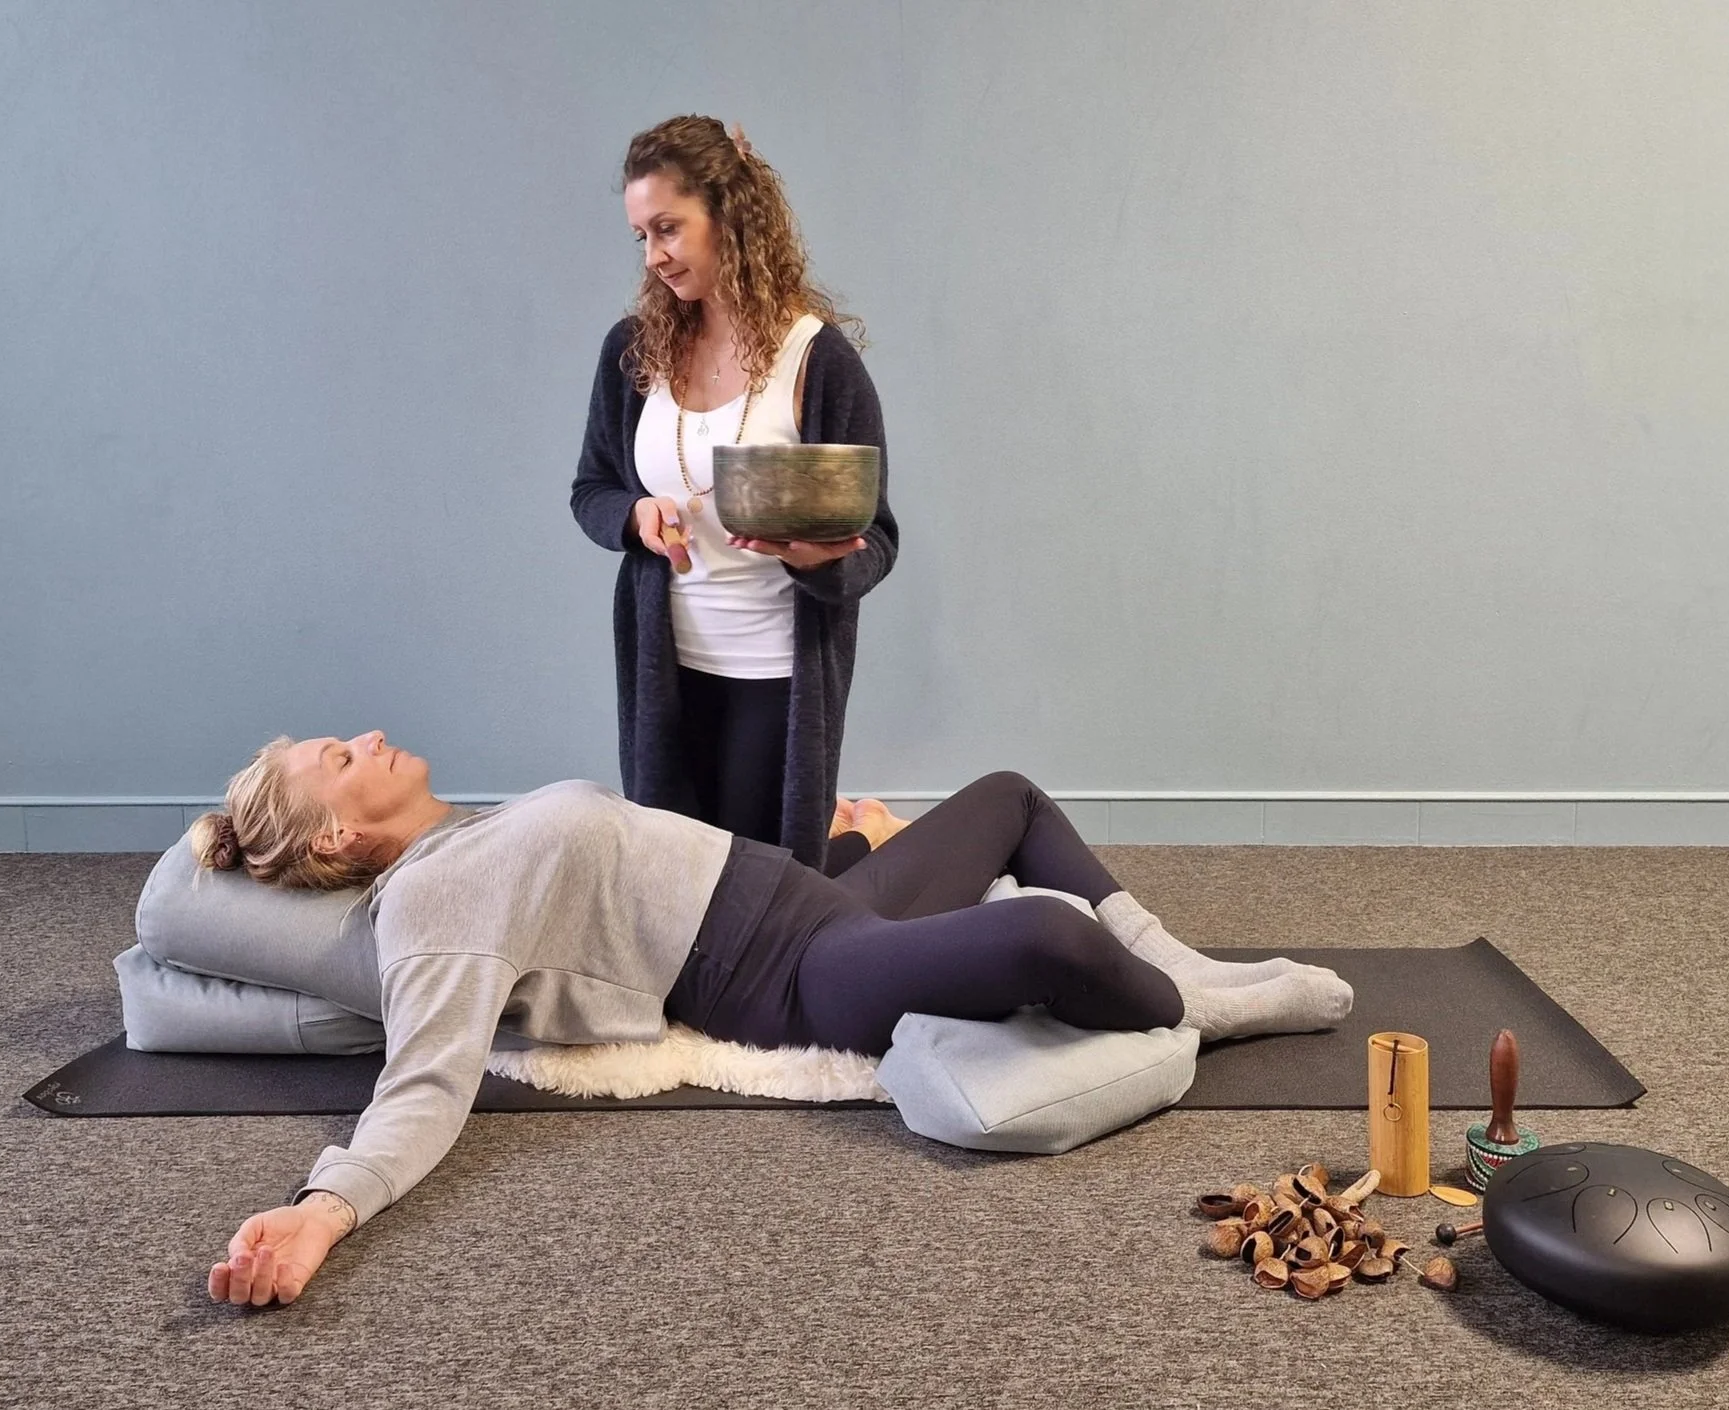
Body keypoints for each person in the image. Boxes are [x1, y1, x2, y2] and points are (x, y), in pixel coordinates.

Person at [198, 730, 1354, 1307]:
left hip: (812, 899)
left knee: (1007, 798)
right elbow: (424, 1076)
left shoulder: (469, 838)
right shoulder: (435, 902)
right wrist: (326, 1209)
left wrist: (851, 854)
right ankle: (1196, 1010)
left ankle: (1177, 965)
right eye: (338, 758)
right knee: (1046, 938)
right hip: (796, 977)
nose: (367, 735)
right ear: (336, 841)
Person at [570, 114, 896, 870]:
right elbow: (591, 487)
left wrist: (820, 558)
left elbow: (876, 539)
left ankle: (864, 841)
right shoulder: (632, 351)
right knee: (672, 883)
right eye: (640, 237)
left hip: (775, 670)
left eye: (668, 229)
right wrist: (632, 514)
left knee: (762, 886)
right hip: (664, 666)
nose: (653, 256)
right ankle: (865, 837)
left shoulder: (818, 361)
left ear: (729, 215)